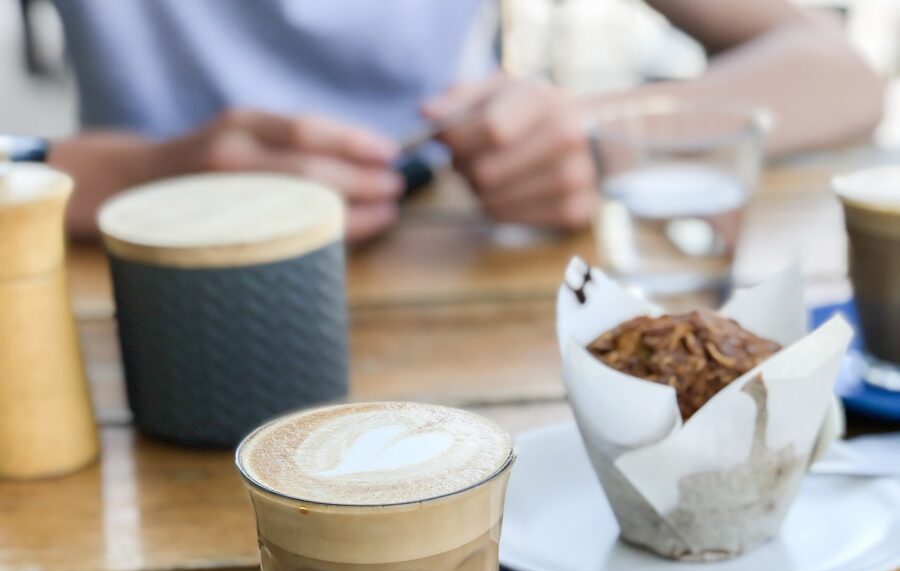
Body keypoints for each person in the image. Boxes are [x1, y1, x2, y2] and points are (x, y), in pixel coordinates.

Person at [47, 0, 883, 244]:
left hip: (472, 266)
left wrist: (591, 134)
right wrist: (148, 180)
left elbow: (837, 74)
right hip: (139, 305)